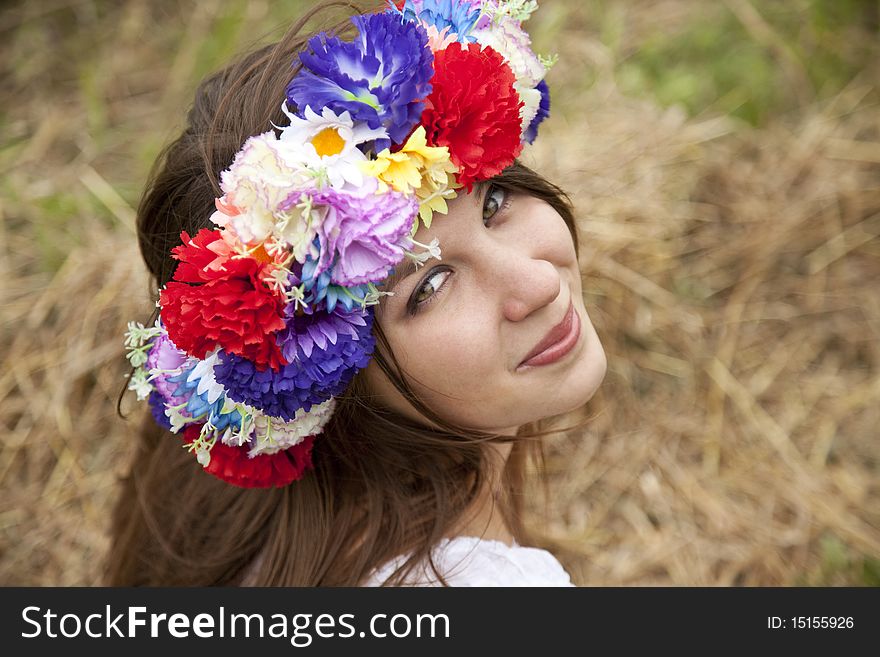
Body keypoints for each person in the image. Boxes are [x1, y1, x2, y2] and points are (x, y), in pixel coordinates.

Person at [108, 0, 607, 587]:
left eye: (495, 202)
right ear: (322, 372)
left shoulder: (225, 518)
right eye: (430, 285)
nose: (540, 283)